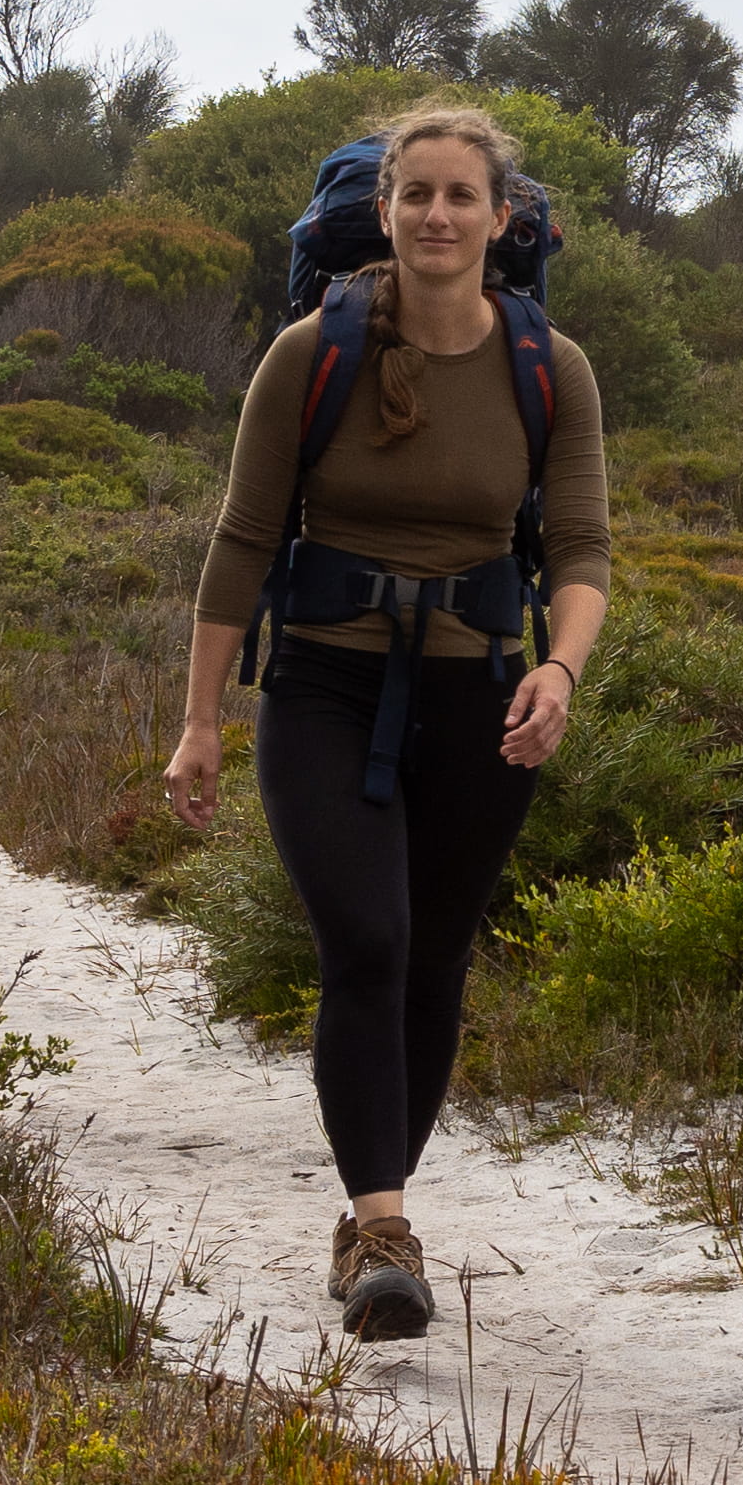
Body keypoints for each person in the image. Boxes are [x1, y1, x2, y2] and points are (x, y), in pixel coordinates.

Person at [160, 103, 610, 1345]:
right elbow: (244, 540)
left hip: (484, 695)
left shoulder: (546, 367)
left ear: (500, 218)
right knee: (367, 939)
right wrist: (201, 720)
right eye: (416, 195)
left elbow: (578, 548)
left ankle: (368, 1218)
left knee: (435, 962)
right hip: (322, 686)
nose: (437, 216)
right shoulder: (313, 354)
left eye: (462, 196)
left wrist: (559, 672)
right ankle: (387, 1227)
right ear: (385, 211)